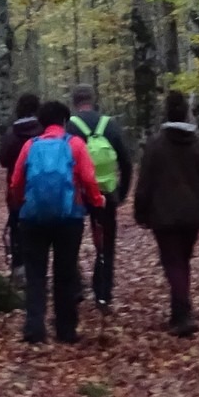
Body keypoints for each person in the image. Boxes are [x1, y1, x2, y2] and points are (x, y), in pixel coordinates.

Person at [8, 99, 105, 344]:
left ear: (41, 122)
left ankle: (34, 328)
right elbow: (88, 179)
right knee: (65, 273)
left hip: (33, 219)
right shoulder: (75, 144)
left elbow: (16, 182)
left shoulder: (31, 146)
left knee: (35, 273)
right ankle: (66, 330)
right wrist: (96, 201)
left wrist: (21, 205)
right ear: (64, 121)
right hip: (69, 218)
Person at [132, 89, 199, 335]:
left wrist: (141, 211)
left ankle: (182, 314)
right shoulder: (198, 146)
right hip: (192, 214)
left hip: (164, 215)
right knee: (182, 261)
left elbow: (145, 182)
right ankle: (180, 310)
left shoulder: (156, 145)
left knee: (174, 263)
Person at [68, 84, 134, 313]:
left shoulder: (71, 127)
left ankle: (74, 286)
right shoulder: (110, 125)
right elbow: (126, 162)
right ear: (93, 99)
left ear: (74, 101)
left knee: (71, 241)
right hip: (106, 192)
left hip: (78, 194)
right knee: (105, 244)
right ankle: (103, 293)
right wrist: (121, 192)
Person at [0, 92, 43, 288]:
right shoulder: (44, 131)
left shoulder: (11, 134)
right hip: (42, 190)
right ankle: (40, 272)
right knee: (42, 231)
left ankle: (20, 271)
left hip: (17, 190)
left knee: (17, 229)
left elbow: (3, 160)